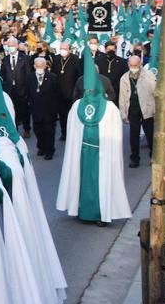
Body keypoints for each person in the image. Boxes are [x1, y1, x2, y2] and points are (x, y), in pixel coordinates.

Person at [56, 50, 131, 226]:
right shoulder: (76, 107)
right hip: (82, 152)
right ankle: (80, 209)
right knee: (80, 179)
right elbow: (72, 131)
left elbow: (115, 134)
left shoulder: (110, 108)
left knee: (100, 182)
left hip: (102, 154)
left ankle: (101, 212)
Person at [119, 55, 157, 168]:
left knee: (150, 133)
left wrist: (156, 109)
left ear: (140, 65)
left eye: (135, 65)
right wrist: (123, 113)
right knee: (134, 135)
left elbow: (155, 92)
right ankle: (134, 158)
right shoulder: (124, 78)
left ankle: (154, 156)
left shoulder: (149, 75)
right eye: (131, 65)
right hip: (133, 108)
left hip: (147, 107)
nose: (133, 67)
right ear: (128, 65)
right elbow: (122, 97)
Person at [27, 57, 59, 160]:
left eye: (42, 66)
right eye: (38, 66)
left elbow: (57, 93)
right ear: (34, 66)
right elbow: (28, 92)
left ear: (45, 66)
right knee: (38, 130)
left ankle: (50, 150)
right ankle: (41, 147)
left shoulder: (53, 77)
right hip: (36, 109)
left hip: (49, 110)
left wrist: (56, 110)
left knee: (49, 131)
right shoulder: (30, 77)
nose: (40, 68)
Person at [0, 37, 32, 138]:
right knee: (12, 110)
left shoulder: (25, 58)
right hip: (9, 89)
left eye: (12, 46)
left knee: (24, 110)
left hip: (22, 88)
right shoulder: (5, 59)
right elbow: (3, 74)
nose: (11, 48)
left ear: (17, 46)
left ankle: (27, 129)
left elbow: (28, 74)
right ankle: (15, 130)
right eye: (9, 46)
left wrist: (27, 89)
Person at [52, 41, 83, 140]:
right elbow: (53, 74)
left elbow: (79, 76)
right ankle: (64, 132)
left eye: (65, 49)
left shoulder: (75, 59)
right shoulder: (56, 58)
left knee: (72, 114)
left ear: (69, 50)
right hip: (59, 92)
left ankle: (73, 132)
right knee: (62, 115)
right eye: (61, 48)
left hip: (71, 92)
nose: (63, 51)